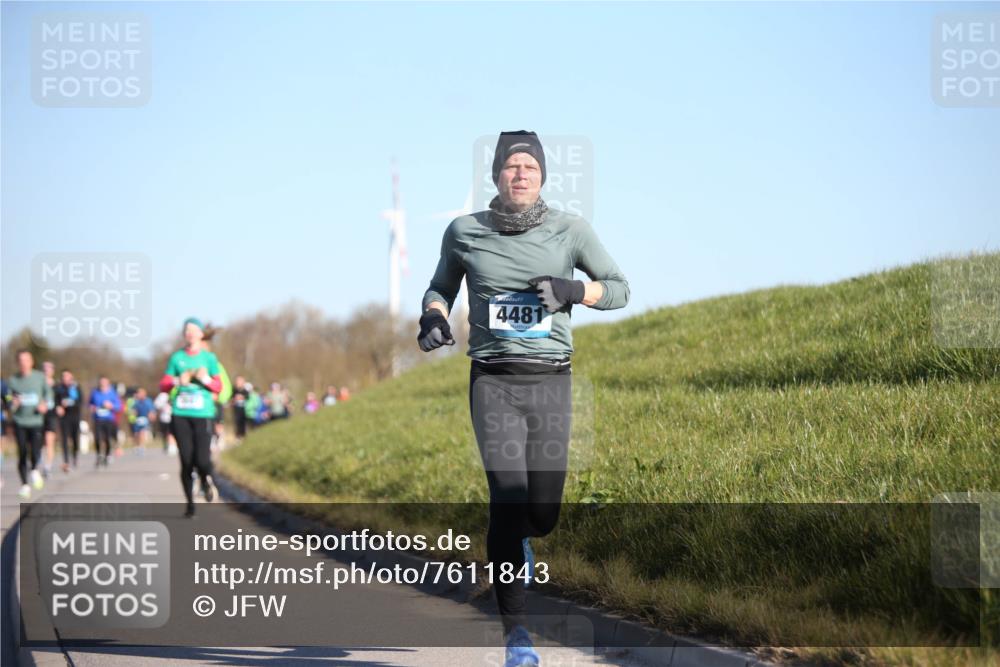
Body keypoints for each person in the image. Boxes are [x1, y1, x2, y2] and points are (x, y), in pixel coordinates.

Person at [418, 131, 629, 667]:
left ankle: (525, 541)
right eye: (510, 166)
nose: (520, 174)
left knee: (543, 511)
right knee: (508, 499)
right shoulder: (465, 232)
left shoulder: (569, 230)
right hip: (492, 380)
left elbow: (620, 287)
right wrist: (434, 317)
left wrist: (573, 291)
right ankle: (517, 636)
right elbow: (440, 288)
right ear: (495, 177)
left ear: (542, 177)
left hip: (551, 380)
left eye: (528, 167)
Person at [159, 317, 223, 517]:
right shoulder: (176, 358)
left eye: (193, 330)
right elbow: (164, 384)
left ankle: (205, 481)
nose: (189, 333)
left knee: (202, 460)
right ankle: (190, 504)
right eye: (186, 330)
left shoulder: (209, 359)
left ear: (201, 334)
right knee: (186, 460)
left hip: (203, 414)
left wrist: (204, 378)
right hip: (180, 414)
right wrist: (179, 380)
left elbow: (218, 387)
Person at [7, 350, 54, 499]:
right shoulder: (13, 380)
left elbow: (49, 395)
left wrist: (45, 405)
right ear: (17, 363)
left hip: (36, 421)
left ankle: (34, 469)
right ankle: (24, 485)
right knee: (22, 452)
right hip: (20, 421)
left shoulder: (39, 378)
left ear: (31, 361)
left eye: (26, 360)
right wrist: (13, 403)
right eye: (20, 360)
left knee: (35, 450)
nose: (23, 363)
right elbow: (8, 401)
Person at [89, 375, 121, 467]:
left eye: (104, 382)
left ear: (108, 383)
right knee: (97, 438)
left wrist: (111, 406)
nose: (102, 384)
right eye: (101, 382)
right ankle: (99, 455)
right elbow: (90, 404)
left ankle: (107, 455)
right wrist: (92, 408)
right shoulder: (95, 392)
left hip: (109, 419)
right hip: (98, 419)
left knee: (107, 438)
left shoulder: (112, 393)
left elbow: (118, 406)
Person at [54, 369, 82, 471]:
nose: (65, 378)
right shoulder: (58, 388)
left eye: (67, 376)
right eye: (63, 376)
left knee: (75, 438)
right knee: (64, 439)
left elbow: (80, 402)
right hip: (64, 418)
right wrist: (58, 407)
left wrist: (70, 403)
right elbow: (55, 401)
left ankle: (75, 456)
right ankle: (66, 461)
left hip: (75, 416)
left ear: (71, 377)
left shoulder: (76, 387)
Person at [41, 361, 58, 478]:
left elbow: (61, 401)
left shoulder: (57, 386)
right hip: (38, 416)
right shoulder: (38, 384)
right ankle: (39, 464)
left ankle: (48, 467)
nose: (46, 370)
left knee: (49, 441)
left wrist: (60, 407)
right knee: (38, 443)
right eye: (44, 368)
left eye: (49, 368)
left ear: (53, 371)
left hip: (51, 416)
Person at [129, 388, 155, 454]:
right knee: (136, 433)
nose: (139, 395)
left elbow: (151, 410)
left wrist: (151, 415)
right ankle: (136, 445)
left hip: (145, 419)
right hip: (138, 419)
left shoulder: (148, 401)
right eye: (138, 393)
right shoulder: (137, 402)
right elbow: (133, 410)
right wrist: (133, 412)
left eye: (140, 393)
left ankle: (142, 446)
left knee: (142, 432)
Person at [232, 376, 250, 440]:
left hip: (244, 409)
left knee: (243, 422)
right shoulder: (233, 389)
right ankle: (238, 436)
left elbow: (248, 397)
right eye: (237, 381)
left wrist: (242, 397)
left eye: (240, 381)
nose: (238, 383)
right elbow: (230, 399)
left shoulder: (245, 390)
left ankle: (243, 435)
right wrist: (234, 399)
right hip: (236, 409)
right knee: (237, 422)